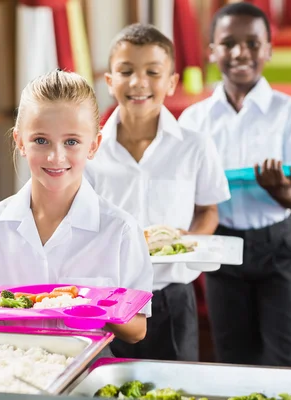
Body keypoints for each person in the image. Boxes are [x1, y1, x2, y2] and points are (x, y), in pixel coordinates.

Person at [179, 2, 291, 367]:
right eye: (228, 43)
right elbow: (184, 191)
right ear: (211, 50)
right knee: (233, 358)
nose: (240, 53)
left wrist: (283, 192)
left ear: (269, 49)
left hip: (276, 246)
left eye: (252, 43)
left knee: (290, 359)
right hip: (221, 246)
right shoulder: (194, 120)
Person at [0, 69, 153, 344]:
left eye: (71, 142)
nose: (55, 156)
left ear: (94, 145)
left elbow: (137, 330)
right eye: (40, 140)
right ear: (20, 142)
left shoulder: (120, 229)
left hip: (87, 364)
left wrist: (89, 304)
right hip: (7, 362)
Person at [85, 24, 230, 361]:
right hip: (108, 296)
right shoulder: (90, 151)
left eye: (153, 72)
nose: (139, 82)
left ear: (171, 82)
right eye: (126, 71)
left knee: (176, 387)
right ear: (109, 81)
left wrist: (190, 241)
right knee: (108, 383)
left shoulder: (194, 146)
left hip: (172, 296)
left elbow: (209, 210)